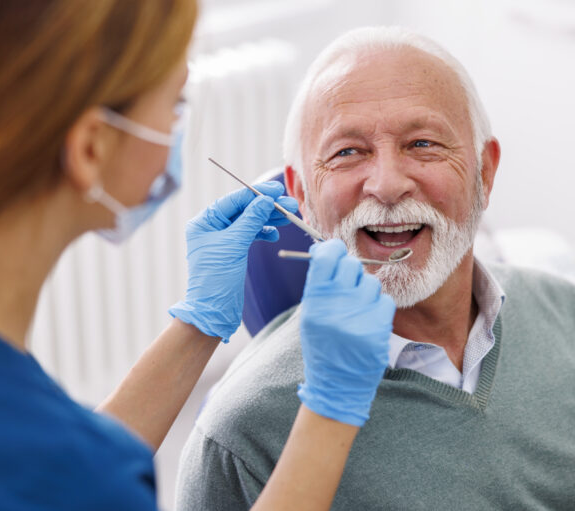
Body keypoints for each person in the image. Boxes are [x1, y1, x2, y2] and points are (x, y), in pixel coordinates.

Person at [0, 3, 397, 510]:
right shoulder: (76, 468)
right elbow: (69, 478)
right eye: (175, 106)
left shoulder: (32, 435)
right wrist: (332, 407)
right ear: (90, 148)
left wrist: (198, 322)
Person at [174, 26, 575, 510]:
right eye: (347, 152)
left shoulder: (564, 312)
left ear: (485, 173)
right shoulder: (241, 439)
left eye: (423, 143)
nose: (386, 185)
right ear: (300, 196)